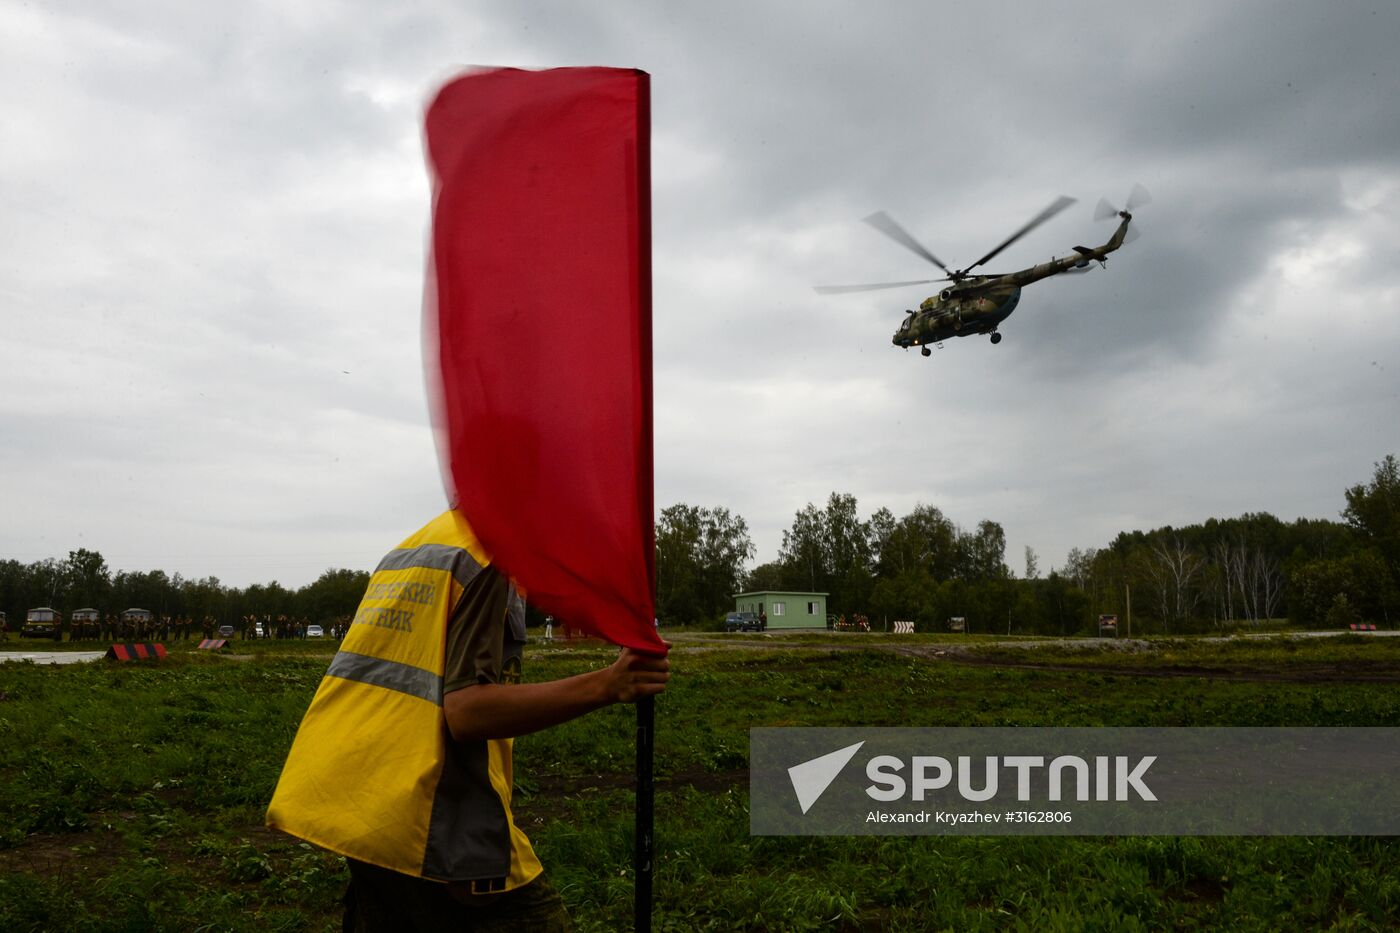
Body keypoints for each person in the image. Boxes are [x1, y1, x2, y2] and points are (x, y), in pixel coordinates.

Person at [266, 509, 669, 931]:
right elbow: (466, 711)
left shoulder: (414, 547)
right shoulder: (489, 556)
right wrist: (608, 684)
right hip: (424, 815)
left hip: (359, 803)